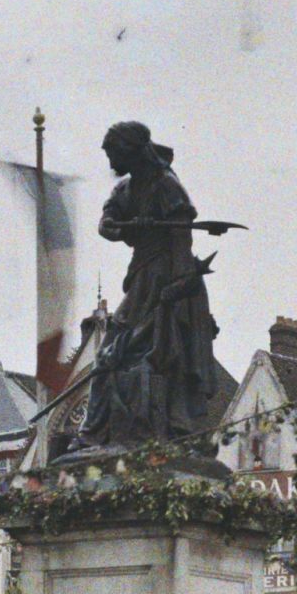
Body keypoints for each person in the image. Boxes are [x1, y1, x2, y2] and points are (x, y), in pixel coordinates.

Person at [77, 121, 224, 449]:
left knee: (160, 358)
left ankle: (168, 429)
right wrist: (123, 226)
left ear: (130, 151)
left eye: (113, 154)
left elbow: (181, 239)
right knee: (107, 356)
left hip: (169, 277)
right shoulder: (124, 190)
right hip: (141, 279)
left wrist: (178, 288)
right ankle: (93, 434)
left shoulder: (167, 186)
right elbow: (106, 225)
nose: (111, 163)